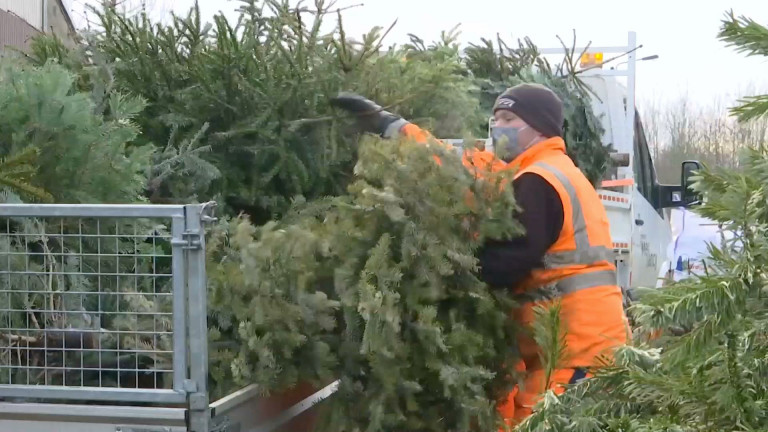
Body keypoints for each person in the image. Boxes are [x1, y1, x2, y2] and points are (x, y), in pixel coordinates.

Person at [330, 84, 631, 427]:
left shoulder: (541, 179)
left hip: (577, 351)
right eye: (496, 117)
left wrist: (443, 272)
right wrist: (390, 125)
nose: (498, 125)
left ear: (539, 126)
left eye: (509, 117)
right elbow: (455, 166)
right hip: (565, 348)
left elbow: (509, 259)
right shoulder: (529, 170)